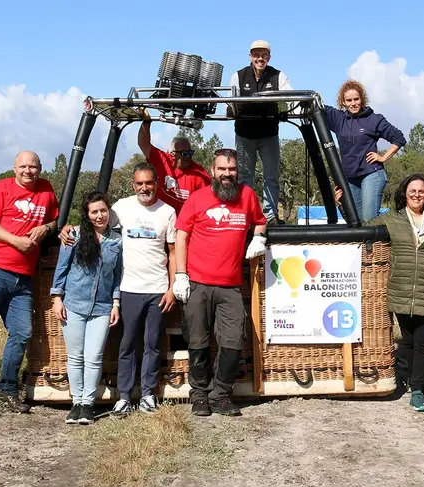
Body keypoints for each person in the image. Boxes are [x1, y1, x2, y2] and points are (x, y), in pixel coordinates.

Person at [59, 163, 178, 417]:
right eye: (139, 183)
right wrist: (68, 229)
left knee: (152, 343)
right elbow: (95, 220)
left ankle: (147, 394)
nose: (144, 187)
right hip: (128, 287)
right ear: (133, 184)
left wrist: (172, 287)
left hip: (157, 287)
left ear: (156, 182)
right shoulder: (121, 208)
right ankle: (124, 396)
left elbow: (172, 251)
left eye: (148, 182)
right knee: (127, 345)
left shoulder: (168, 211)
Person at [172, 148, 267, 417]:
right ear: (212, 171)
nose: (227, 174)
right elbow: (181, 236)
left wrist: (259, 237)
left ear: (238, 172)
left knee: (234, 340)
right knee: (198, 341)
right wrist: (180, 275)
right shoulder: (197, 198)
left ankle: (221, 394)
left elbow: (260, 222)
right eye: (222, 169)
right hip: (198, 283)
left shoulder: (247, 196)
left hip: (230, 285)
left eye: (232, 169)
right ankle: (199, 394)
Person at [0, 150, 59, 413]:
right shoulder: (0, 189)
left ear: (40, 168)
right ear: (14, 168)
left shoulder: (46, 190)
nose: (28, 171)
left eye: (33, 167)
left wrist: (47, 228)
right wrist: (15, 241)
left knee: (22, 332)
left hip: (24, 276)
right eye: (23, 167)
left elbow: (55, 219)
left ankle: (7, 388)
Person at [365, 174, 424, 411]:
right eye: (412, 191)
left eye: (421, 191)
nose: (417, 195)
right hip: (401, 290)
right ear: (404, 194)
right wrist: (340, 203)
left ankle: (417, 389)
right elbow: (363, 229)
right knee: (409, 341)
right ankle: (413, 378)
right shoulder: (392, 219)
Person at [50, 191, 123, 424]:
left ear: (109, 211)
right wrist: (57, 298)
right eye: (94, 211)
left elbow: (117, 275)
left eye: (103, 210)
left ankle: (88, 404)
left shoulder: (117, 241)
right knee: (75, 356)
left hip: (102, 308)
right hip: (74, 305)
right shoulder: (74, 236)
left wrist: (116, 302)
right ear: (87, 214)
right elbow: (61, 268)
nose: (100, 215)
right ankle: (77, 402)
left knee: (94, 357)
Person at [228, 39, 294, 225]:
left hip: (269, 134)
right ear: (250, 56)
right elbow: (230, 102)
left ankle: (270, 215)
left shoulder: (278, 76)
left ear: (269, 57)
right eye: (256, 54)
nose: (260, 58)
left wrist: (290, 107)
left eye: (264, 55)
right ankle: (247, 214)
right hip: (244, 133)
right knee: (245, 176)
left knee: (271, 175)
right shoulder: (238, 76)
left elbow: (291, 96)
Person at [324, 80, 407, 222]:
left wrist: (383, 157)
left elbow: (399, 138)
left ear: (362, 99)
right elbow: (317, 106)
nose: (353, 103)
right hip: (350, 177)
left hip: (371, 173)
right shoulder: (338, 119)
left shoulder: (374, 120)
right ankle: (368, 244)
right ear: (343, 102)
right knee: (357, 220)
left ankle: (385, 236)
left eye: (356, 99)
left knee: (369, 219)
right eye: (349, 100)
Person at [137, 108, 212, 215]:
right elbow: (143, 143)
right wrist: (146, 122)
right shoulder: (162, 160)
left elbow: (207, 203)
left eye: (190, 153)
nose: (188, 157)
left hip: (185, 223)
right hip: (161, 217)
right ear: (173, 154)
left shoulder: (199, 174)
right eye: (184, 154)